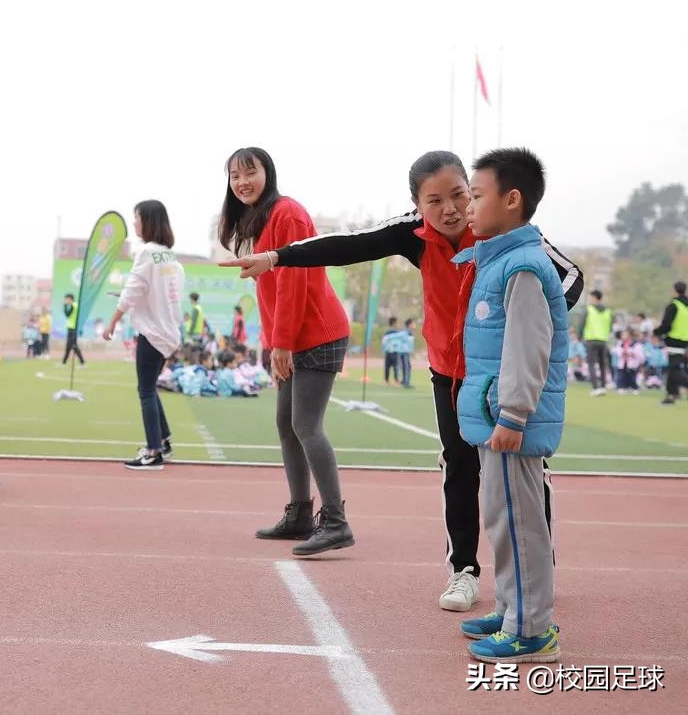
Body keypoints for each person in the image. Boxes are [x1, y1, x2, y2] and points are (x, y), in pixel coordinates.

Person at [220, 150, 582, 611]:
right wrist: (276, 258)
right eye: (435, 200)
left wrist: (536, 319)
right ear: (417, 204)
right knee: (460, 466)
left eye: (460, 195)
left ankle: (536, 572)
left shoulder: (499, 231)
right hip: (450, 372)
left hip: (502, 373)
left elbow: (569, 277)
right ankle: (463, 572)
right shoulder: (412, 232)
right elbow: (348, 244)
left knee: (526, 471)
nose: (451, 209)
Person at [452, 147, 564, 663]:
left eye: (476, 195)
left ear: (512, 199)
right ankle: (513, 608)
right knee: (500, 517)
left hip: (510, 420)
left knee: (519, 523)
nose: (468, 207)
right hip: (495, 417)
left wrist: (513, 415)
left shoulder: (522, 268)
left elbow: (527, 347)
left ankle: (530, 629)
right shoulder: (497, 263)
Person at [220, 146, 354, 556]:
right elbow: (273, 290)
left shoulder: (287, 213)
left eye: (251, 172)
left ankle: (336, 522)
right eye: (235, 176)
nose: (243, 182)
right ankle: (299, 513)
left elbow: (295, 280)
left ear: (268, 172)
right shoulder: (260, 218)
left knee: (306, 425)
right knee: (286, 424)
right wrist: (274, 342)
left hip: (316, 334)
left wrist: (282, 344)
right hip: (293, 336)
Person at [103, 200, 185, 469]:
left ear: (147, 221)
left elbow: (134, 290)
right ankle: (164, 442)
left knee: (146, 391)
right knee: (150, 388)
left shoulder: (146, 253)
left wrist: (112, 321)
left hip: (152, 333)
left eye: (136, 218)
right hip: (168, 332)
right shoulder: (170, 256)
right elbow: (155, 291)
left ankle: (153, 451)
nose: (135, 223)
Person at [653, 281, 688, 405]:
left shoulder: (673, 305)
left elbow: (667, 325)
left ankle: (672, 395)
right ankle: (671, 395)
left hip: (674, 340)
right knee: (673, 369)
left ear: (674, 290)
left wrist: (656, 332)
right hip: (685, 341)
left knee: (674, 370)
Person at [580, 289, 611, 395]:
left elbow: (582, 324)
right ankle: (603, 386)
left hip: (591, 339)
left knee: (591, 364)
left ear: (594, 298)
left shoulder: (589, 309)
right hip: (603, 340)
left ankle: (595, 387)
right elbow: (610, 326)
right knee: (603, 364)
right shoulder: (608, 311)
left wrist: (580, 336)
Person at [61, 293, 85, 366]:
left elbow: (67, 314)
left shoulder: (73, 306)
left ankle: (82, 362)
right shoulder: (76, 305)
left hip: (72, 329)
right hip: (73, 328)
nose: (66, 301)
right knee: (69, 346)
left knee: (73, 346)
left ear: (70, 299)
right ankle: (64, 362)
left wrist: (65, 305)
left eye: (67, 299)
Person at [381, 316, 402, 384]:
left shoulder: (388, 332)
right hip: (393, 352)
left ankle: (387, 380)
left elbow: (384, 342)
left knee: (388, 367)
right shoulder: (394, 332)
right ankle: (395, 380)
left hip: (390, 351)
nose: (397, 324)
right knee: (394, 367)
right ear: (394, 323)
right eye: (396, 323)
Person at [400, 318, 416, 388]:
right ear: (409, 325)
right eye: (413, 323)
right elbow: (407, 344)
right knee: (406, 367)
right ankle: (406, 383)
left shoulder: (408, 332)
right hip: (404, 352)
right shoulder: (406, 332)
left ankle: (404, 381)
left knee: (406, 367)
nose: (414, 325)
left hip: (405, 352)